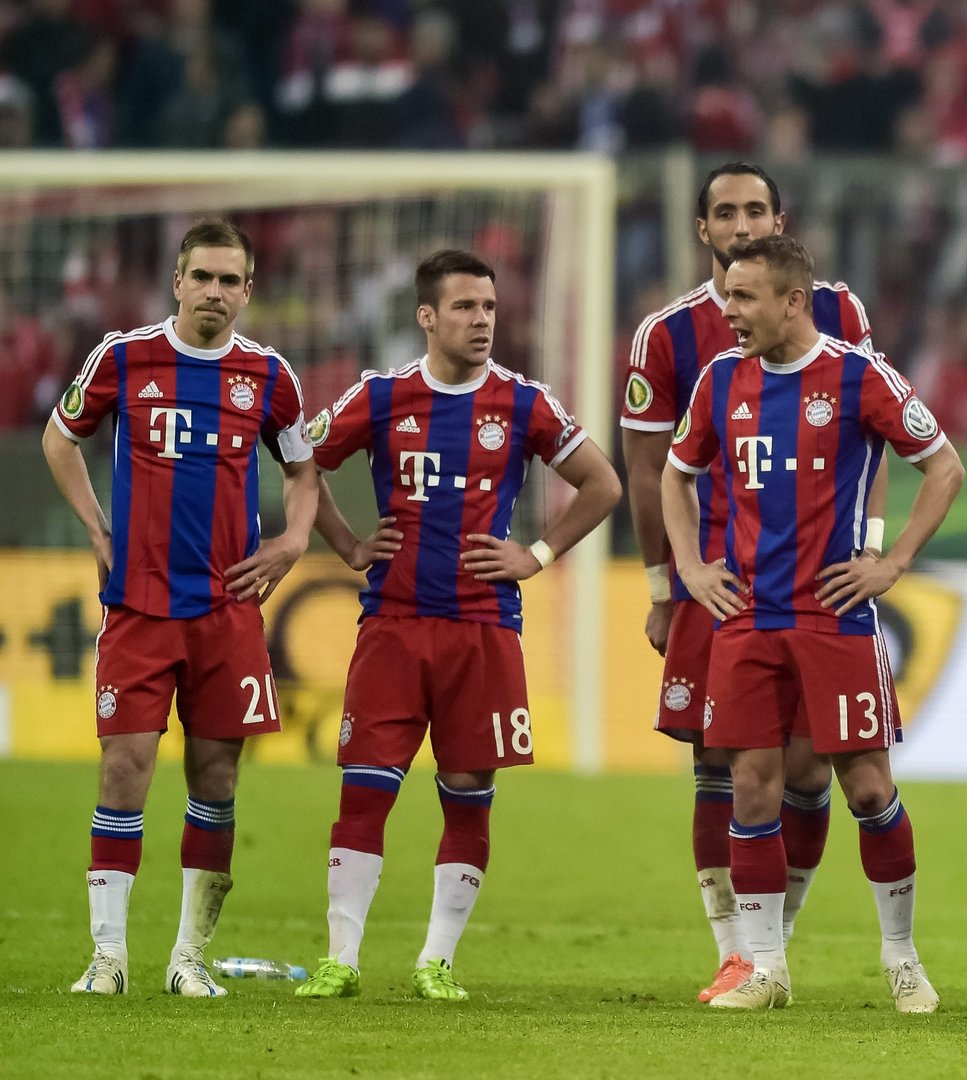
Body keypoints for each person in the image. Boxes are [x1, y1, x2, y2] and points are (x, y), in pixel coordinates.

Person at [293, 249, 621, 1002]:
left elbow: (603, 484)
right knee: (364, 792)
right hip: (394, 625)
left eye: (490, 308)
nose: (482, 321)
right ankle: (342, 957)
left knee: (469, 791)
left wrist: (536, 553)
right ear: (427, 316)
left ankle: (436, 960)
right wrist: (343, 543)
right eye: (466, 307)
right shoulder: (380, 396)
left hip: (483, 628)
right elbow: (299, 460)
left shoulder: (525, 402)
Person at [663, 234, 964, 1012]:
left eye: (744, 297)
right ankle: (766, 970)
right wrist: (693, 571)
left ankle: (901, 958)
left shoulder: (860, 376)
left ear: (792, 301)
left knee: (867, 788)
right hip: (748, 619)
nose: (729, 312)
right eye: (727, 295)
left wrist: (892, 561)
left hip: (835, 618)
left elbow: (944, 466)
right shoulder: (718, 382)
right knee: (752, 787)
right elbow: (676, 475)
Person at [622, 162, 883, 1002]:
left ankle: (775, 943)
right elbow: (646, 469)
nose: (741, 224)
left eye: (756, 209)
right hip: (721, 586)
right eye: (726, 213)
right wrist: (668, 582)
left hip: (816, 583)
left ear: (781, 217)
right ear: (702, 230)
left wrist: (871, 547)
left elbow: (878, 435)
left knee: (809, 772)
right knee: (720, 761)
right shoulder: (667, 335)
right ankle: (737, 951)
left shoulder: (837, 311)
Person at [49, 220, 318, 996]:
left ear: (247, 291)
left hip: (227, 613)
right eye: (202, 277)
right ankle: (108, 958)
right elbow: (59, 438)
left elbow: (305, 472)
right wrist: (98, 527)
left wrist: (295, 541)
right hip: (138, 606)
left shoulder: (269, 376)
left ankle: (188, 959)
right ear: (177, 282)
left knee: (217, 780)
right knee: (123, 770)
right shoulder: (125, 356)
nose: (215, 292)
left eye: (230, 280)